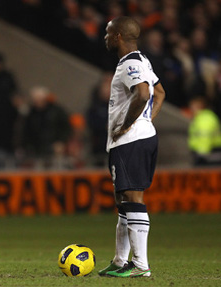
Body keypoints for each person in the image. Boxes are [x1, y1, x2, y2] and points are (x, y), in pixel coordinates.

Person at [98, 16, 165, 278]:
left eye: (107, 32)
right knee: (123, 199)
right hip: (138, 137)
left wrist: (129, 124)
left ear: (117, 37)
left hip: (131, 141)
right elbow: (160, 92)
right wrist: (146, 120)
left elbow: (145, 94)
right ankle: (120, 261)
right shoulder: (142, 60)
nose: (104, 37)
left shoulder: (131, 64)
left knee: (133, 197)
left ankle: (140, 266)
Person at [187, 96, 221, 166]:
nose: (191, 109)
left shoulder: (204, 119)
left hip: (209, 155)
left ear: (199, 107)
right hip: (209, 153)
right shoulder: (203, 117)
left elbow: (205, 136)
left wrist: (202, 154)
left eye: (192, 107)